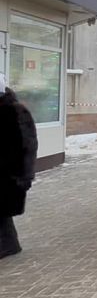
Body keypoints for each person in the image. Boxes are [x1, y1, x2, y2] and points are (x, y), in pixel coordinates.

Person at [0, 74, 38, 259]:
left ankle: (9, 245)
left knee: (2, 210)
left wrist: (24, 175)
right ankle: (9, 244)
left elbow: (28, 145)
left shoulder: (15, 111)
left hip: (9, 171)